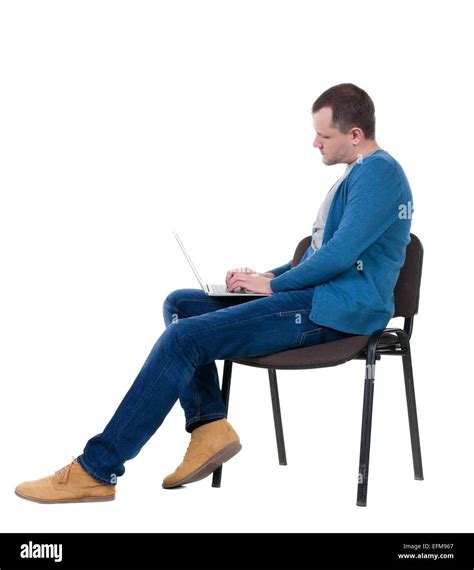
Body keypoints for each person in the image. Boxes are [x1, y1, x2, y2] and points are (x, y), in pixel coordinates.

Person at [15, 83, 413, 503]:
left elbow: (339, 256)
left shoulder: (379, 173)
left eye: (324, 135)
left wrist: (273, 286)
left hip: (337, 312)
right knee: (181, 305)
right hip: (319, 298)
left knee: (183, 338)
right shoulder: (361, 173)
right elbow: (321, 253)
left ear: (354, 135)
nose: (315, 142)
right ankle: (209, 426)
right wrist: (264, 276)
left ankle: (96, 470)